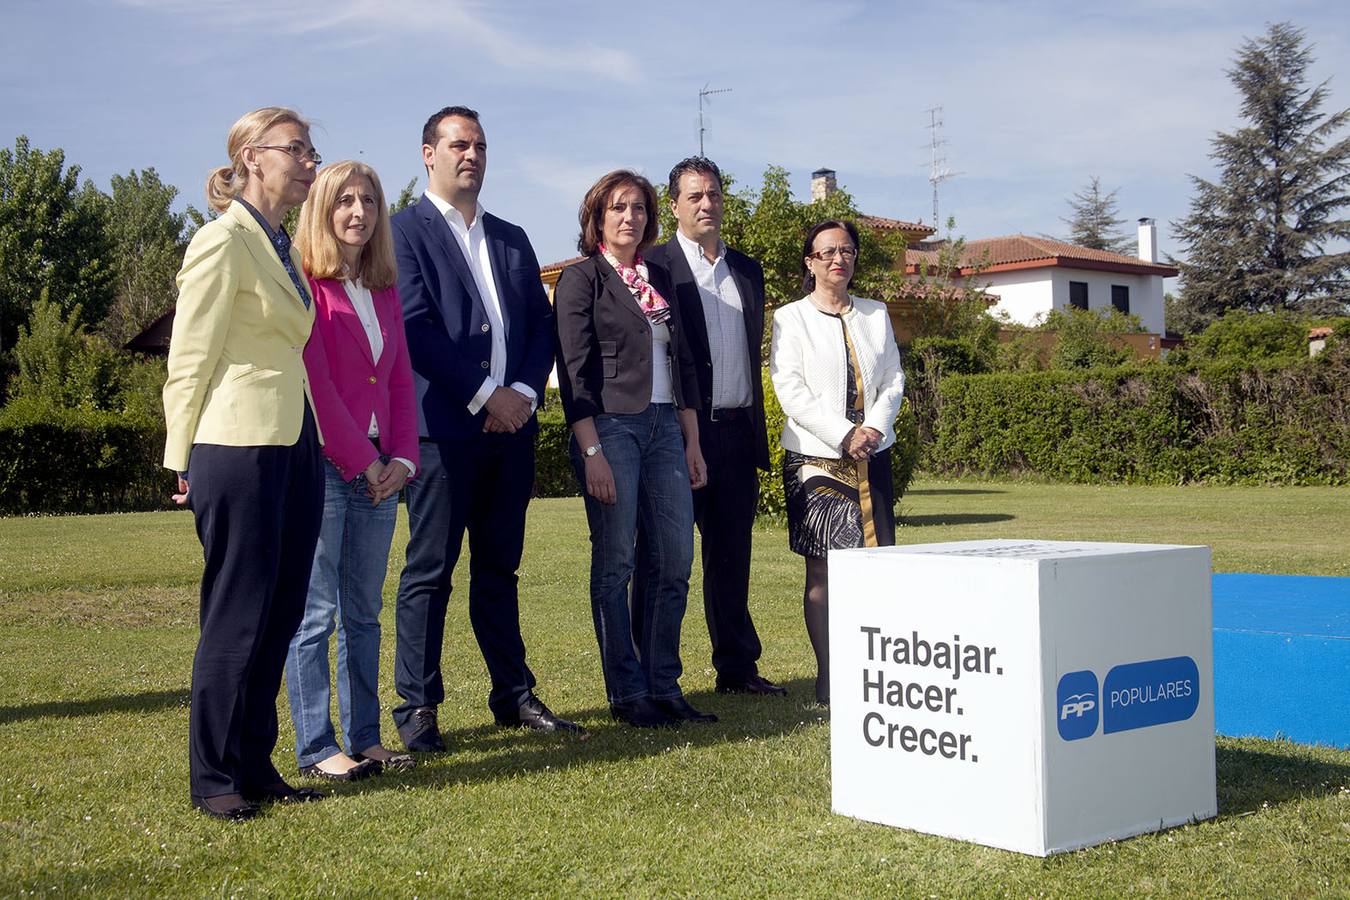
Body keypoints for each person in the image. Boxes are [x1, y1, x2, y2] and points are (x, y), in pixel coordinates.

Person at [391, 105, 580, 751]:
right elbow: (415, 328)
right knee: (430, 571)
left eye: (479, 145)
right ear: (428, 154)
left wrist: (523, 394)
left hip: (512, 432)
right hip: (443, 434)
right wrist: (485, 395)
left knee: (499, 570)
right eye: (458, 145)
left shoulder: (510, 236)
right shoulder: (403, 233)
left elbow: (538, 327)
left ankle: (512, 694)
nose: (471, 155)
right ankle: (418, 709)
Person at [163, 107, 325, 820]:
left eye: (311, 150)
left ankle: (256, 764)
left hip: (294, 441)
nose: (309, 161)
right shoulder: (220, 241)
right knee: (238, 613)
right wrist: (181, 459)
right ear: (252, 157)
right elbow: (188, 358)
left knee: (282, 611)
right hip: (235, 446)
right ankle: (214, 778)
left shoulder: (282, 245)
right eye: (297, 149)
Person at [553, 169, 711, 728]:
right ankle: (627, 692)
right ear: (597, 216)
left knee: (674, 558)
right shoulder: (582, 279)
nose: (630, 217)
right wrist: (591, 450)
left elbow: (684, 364)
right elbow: (572, 373)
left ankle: (664, 684)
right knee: (616, 563)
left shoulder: (662, 276)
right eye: (618, 207)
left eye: (639, 208)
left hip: (667, 428)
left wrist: (692, 442)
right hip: (611, 429)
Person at [284, 160, 420, 781]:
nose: (358, 211)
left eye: (368, 200)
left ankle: (365, 738)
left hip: (381, 472)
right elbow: (318, 386)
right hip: (326, 467)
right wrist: (365, 461)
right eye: (345, 200)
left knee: (364, 612)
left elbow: (395, 380)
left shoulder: (383, 287)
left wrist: (402, 458)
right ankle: (316, 746)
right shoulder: (306, 284)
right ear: (322, 209)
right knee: (317, 615)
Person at [638, 157, 786, 698]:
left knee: (731, 557)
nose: (706, 204)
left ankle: (737, 667)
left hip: (737, 432)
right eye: (694, 195)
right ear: (674, 204)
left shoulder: (746, 270)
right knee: (663, 559)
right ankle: (654, 674)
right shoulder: (654, 267)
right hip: (675, 435)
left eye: (714, 194)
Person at [768, 219, 904, 706]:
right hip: (817, 457)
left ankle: (873, 671)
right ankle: (829, 679)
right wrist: (844, 433)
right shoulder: (790, 318)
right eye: (826, 252)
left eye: (846, 251)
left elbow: (892, 378)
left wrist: (872, 430)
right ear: (810, 262)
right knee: (823, 572)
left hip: (873, 453)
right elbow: (790, 389)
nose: (837, 260)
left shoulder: (875, 314)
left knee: (875, 568)